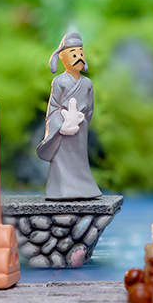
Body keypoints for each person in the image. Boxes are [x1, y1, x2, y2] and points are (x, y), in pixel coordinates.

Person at [36, 32, 102, 200]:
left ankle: (85, 189)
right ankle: (59, 190)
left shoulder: (87, 83)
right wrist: (62, 125)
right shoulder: (59, 81)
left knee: (79, 160)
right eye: (74, 54)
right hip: (63, 130)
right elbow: (53, 107)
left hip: (80, 130)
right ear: (63, 58)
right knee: (62, 159)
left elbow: (90, 108)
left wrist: (82, 122)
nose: (79, 58)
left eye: (81, 54)